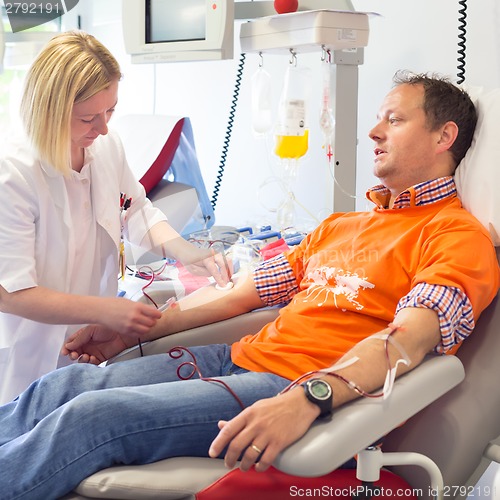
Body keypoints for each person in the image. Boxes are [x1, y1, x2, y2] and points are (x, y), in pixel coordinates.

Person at [1, 71, 498, 500]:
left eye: (394, 119)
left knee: (92, 417)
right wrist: (138, 332)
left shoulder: (455, 237)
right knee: (64, 386)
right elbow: (243, 292)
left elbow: (409, 341)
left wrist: (307, 398)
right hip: (239, 359)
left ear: (443, 136)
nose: (373, 131)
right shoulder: (341, 225)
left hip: (292, 386)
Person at [0, 31, 230, 405]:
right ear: (49, 111)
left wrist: (187, 252)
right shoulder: (12, 173)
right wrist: (109, 311)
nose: (104, 127)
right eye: (88, 117)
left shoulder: (105, 146)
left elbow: (135, 209)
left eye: (110, 111)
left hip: (87, 344)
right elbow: (11, 294)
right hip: (24, 353)